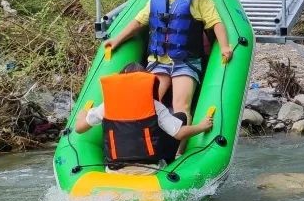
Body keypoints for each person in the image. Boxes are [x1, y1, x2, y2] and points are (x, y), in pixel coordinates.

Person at [101, 0, 233, 135]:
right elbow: (138, 23)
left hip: (185, 62)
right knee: (147, 102)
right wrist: (116, 40)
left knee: (181, 107)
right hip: (158, 62)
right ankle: (145, 143)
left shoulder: (199, 0)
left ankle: (179, 151)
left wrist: (224, 46)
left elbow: (215, 23)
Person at [73, 64, 215, 173]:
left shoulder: (106, 106)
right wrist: (202, 126)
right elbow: (179, 133)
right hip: (150, 170)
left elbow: (79, 129)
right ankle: (175, 160)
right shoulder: (155, 105)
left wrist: (83, 113)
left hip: (115, 170)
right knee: (180, 116)